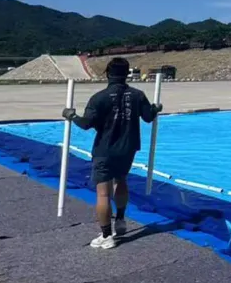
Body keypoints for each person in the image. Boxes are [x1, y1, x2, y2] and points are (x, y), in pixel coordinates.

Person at [62, 57, 161, 250]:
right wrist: (156, 109)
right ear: (127, 74)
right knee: (121, 180)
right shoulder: (137, 95)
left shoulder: (99, 98)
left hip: (105, 150)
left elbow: (86, 124)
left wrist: (71, 115)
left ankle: (107, 235)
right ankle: (120, 219)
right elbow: (148, 117)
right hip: (128, 149)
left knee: (103, 193)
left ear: (108, 73)